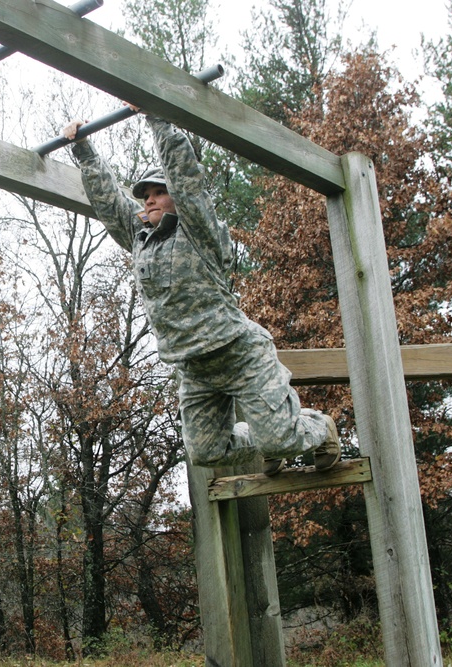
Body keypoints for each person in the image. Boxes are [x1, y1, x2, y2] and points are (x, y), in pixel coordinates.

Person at [62, 109, 340, 475]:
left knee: (282, 440)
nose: (149, 200)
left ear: (176, 197)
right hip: (194, 368)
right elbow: (110, 204)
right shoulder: (140, 239)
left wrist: (157, 118)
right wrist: (83, 150)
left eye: (159, 193)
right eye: (146, 195)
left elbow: (186, 179)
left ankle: (318, 426)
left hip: (238, 353)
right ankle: (269, 437)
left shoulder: (198, 230)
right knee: (207, 452)